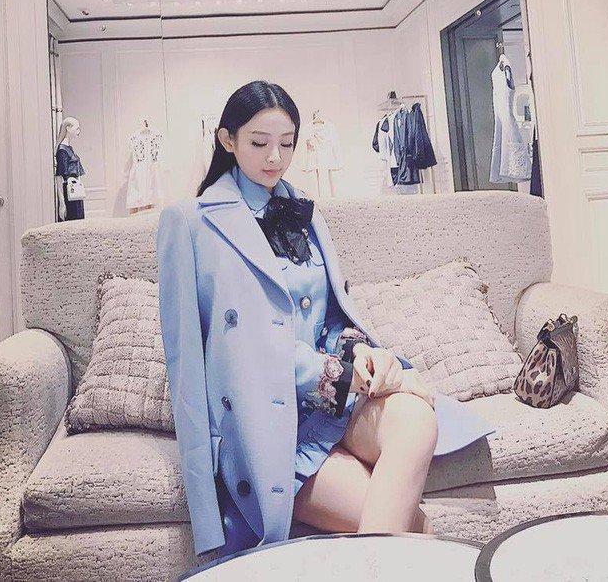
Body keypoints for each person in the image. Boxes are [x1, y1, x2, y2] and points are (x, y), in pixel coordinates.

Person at [157, 80, 493, 558]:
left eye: (287, 143)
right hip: (267, 426)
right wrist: (205, 510)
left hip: (332, 408)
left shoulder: (303, 212)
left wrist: (361, 354)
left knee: (416, 416)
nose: (275, 157)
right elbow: (189, 366)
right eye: (259, 143)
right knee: (415, 527)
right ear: (227, 140)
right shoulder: (190, 222)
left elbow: (331, 317)